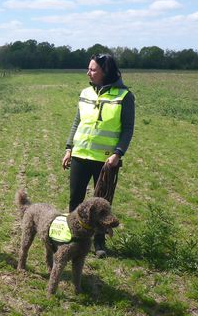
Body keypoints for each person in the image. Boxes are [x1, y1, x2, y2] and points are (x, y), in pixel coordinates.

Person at [61, 54, 135, 258]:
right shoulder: (85, 92)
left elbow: (128, 129)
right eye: (89, 69)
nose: (88, 72)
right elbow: (77, 122)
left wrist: (118, 154)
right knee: (75, 198)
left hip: (105, 160)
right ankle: (73, 235)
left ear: (106, 71)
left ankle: (99, 242)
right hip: (80, 155)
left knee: (102, 203)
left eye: (93, 69)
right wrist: (69, 148)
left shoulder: (124, 96)